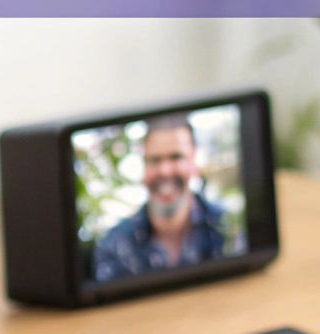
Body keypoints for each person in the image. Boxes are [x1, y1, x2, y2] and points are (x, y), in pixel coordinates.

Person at [92, 114, 238, 282]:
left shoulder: (228, 226)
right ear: (144, 167)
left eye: (176, 157)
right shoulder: (114, 244)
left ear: (193, 162)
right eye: (155, 160)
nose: (165, 171)